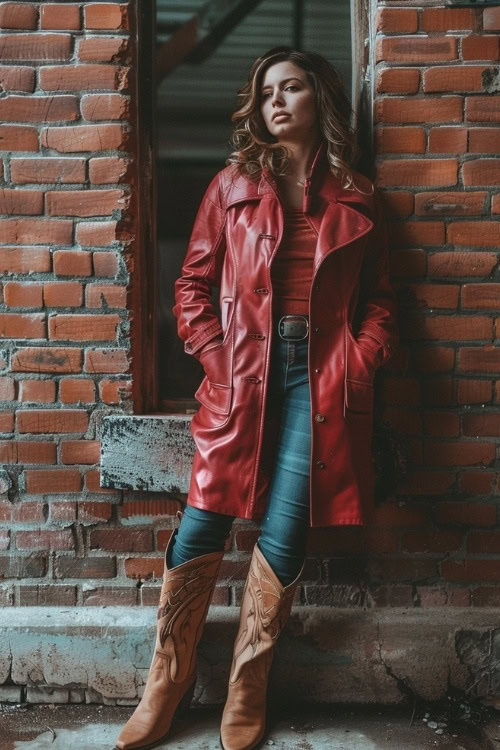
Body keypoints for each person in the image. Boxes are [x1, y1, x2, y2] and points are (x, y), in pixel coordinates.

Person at [115, 46, 398, 750]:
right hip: (242, 374)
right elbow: (190, 288)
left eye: (292, 87)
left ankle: (249, 684)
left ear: (318, 100)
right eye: (266, 90)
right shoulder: (232, 186)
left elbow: (381, 303)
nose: (276, 100)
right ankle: (167, 682)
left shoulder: (359, 196)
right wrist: (217, 361)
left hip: (322, 377)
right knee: (204, 519)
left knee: (286, 529)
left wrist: (358, 364)